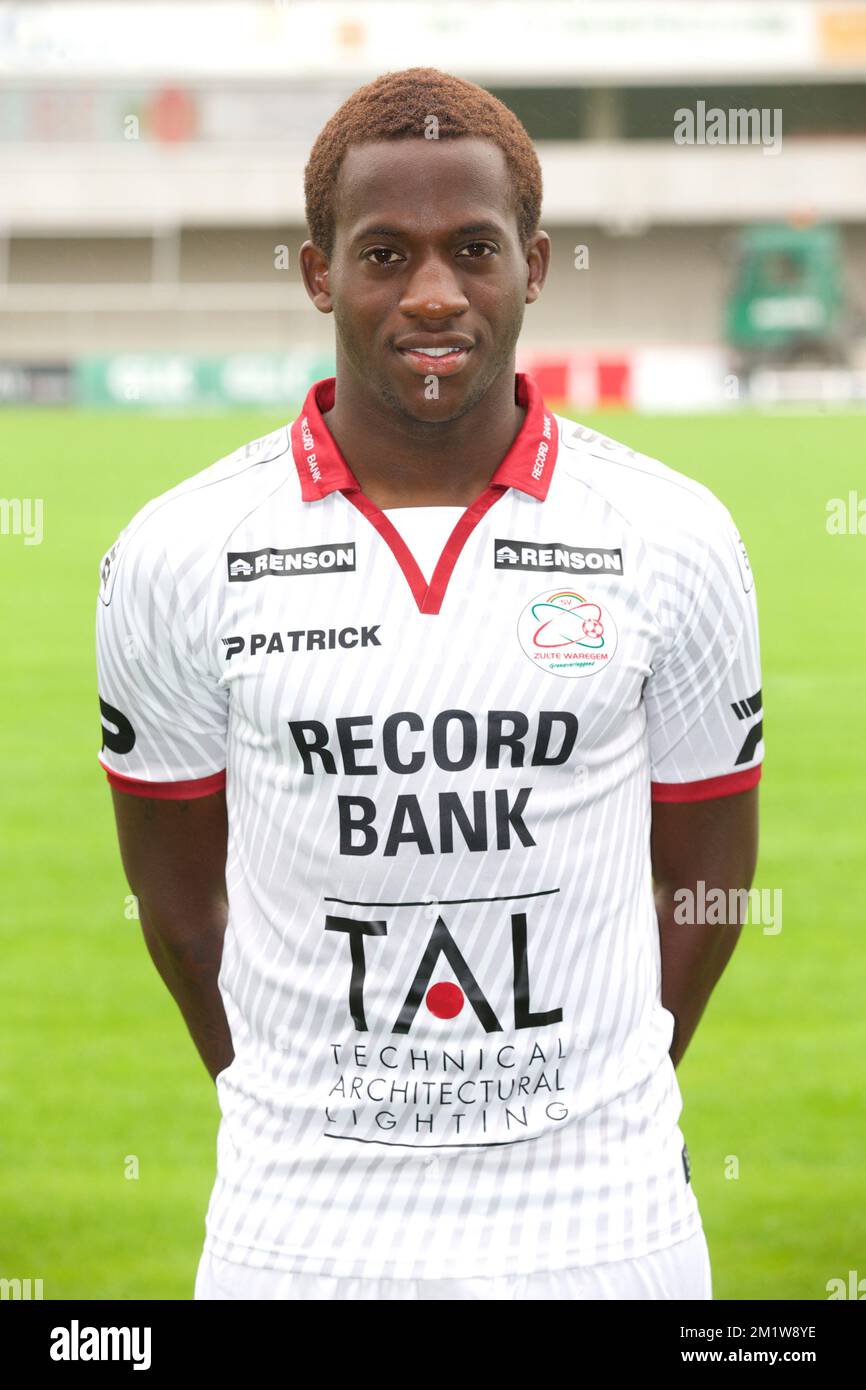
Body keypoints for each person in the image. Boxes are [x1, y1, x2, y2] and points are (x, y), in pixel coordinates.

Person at [95, 67, 763, 1301]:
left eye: (473, 248)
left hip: (604, 1229)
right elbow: (183, 916)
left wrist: (598, 1097)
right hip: (294, 1236)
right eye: (384, 253)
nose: (434, 294)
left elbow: (710, 880)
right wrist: (307, 1103)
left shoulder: (673, 534)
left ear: (536, 263)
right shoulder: (177, 551)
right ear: (316, 273)